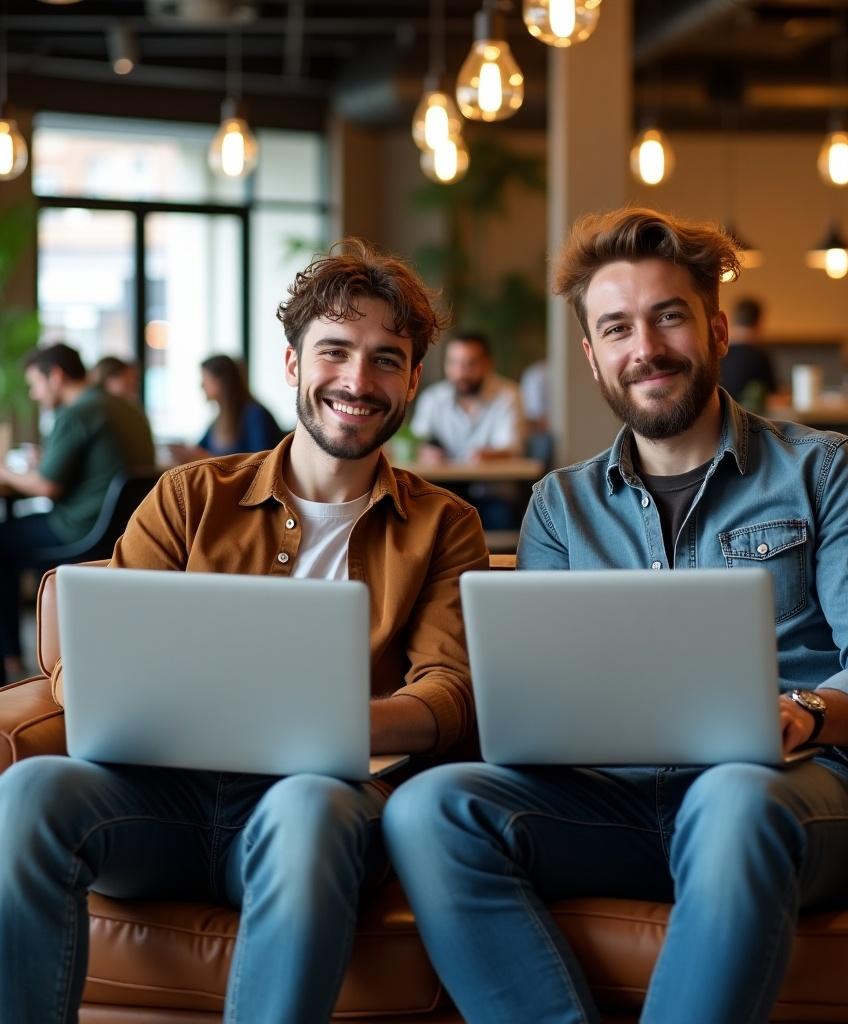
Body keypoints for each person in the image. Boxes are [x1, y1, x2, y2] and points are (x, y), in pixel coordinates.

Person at [383, 208, 848, 1024]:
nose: (644, 348)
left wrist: (806, 712)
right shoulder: (559, 507)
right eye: (616, 328)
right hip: (617, 803)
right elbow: (541, 690)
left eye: (667, 317)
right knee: (428, 810)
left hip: (790, 795)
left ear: (715, 330)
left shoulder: (826, 471)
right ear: (593, 356)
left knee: (735, 798)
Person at [0, 239, 488, 1023]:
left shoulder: (443, 525)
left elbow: (448, 695)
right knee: (30, 789)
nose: (357, 381)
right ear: (293, 365)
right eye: (334, 352)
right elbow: (94, 654)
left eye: (385, 360)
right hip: (160, 799)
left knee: (308, 809)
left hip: (321, 804)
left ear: (411, 380)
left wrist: (321, 723)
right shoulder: (190, 496)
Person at [0, 343, 155, 682]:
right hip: (124, 530)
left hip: (80, 529)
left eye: (35, 383)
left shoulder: (77, 412)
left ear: (55, 376)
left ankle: (9, 660)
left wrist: (6, 472)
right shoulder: (123, 406)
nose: (33, 393)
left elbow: (46, 487)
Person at [410, 331, 524, 463]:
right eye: (453, 363)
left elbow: (513, 448)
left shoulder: (509, 395)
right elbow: (416, 441)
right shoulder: (432, 398)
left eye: (470, 364)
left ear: (488, 364)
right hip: (440, 479)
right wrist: (425, 451)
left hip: (491, 480)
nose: (460, 372)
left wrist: (489, 455)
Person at [171, 354, 283, 463]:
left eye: (205, 378)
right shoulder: (220, 419)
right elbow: (200, 449)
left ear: (220, 382)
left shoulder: (255, 415)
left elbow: (260, 463)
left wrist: (208, 459)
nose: (201, 385)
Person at [719, 296, 776, 411]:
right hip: (751, 418)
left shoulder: (720, 354)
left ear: (733, 320)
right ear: (759, 322)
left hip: (722, 414)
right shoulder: (760, 355)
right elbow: (773, 395)